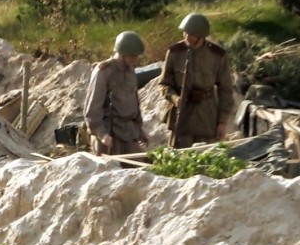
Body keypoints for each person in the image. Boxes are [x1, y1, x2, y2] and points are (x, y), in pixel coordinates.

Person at [158, 13, 234, 148]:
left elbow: (226, 90)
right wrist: (175, 98)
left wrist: (222, 122)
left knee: (206, 156)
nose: (187, 37)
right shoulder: (175, 52)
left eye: (192, 34)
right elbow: (164, 84)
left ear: (201, 35)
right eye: (185, 33)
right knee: (178, 157)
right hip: (182, 116)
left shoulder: (217, 55)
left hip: (206, 115)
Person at [83, 31, 149, 156]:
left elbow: (135, 104)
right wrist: (102, 134)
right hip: (110, 136)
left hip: (129, 134)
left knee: (138, 170)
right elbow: (92, 109)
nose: (135, 59)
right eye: (132, 55)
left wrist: (139, 131)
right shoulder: (103, 72)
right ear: (122, 53)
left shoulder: (131, 72)